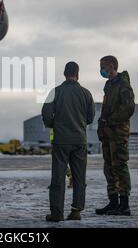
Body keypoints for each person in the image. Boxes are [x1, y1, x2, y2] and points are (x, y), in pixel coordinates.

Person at [42, 61, 95, 222]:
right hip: (80, 140)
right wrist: (78, 124)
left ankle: (57, 213)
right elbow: (90, 117)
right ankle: (76, 210)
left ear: (64, 74)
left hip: (61, 140)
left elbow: (45, 114)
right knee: (79, 177)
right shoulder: (86, 93)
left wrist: (55, 124)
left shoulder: (55, 92)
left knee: (58, 176)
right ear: (77, 74)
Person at [96, 56, 135, 216]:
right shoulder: (109, 85)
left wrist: (111, 121)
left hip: (118, 133)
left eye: (103, 67)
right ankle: (113, 202)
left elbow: (128, 108)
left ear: (111, 66)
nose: (101, 70)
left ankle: (124, 204)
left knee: (119, 166)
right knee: (109, 167)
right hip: (107, 133)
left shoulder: (123, 84)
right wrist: (102, 126)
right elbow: (106, 109)